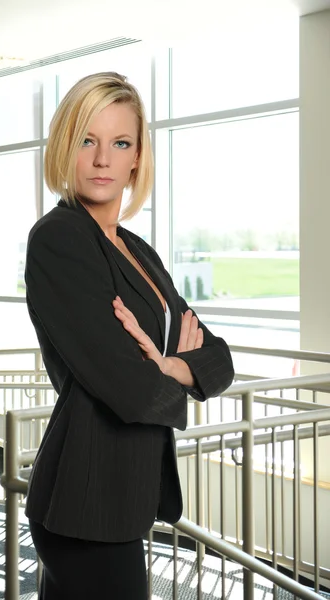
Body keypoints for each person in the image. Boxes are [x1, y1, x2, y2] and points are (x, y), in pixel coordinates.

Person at [24, 71, 234, 600]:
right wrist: (169, 375)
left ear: (137, 157)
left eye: (120, 143)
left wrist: (170, 367)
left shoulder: (138, 250)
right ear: (64, 149)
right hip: (86, 499)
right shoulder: (59, 238)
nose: (102, 160)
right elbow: (129, 389)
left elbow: (218, 357)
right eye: (86, 141)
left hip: (123, 495)